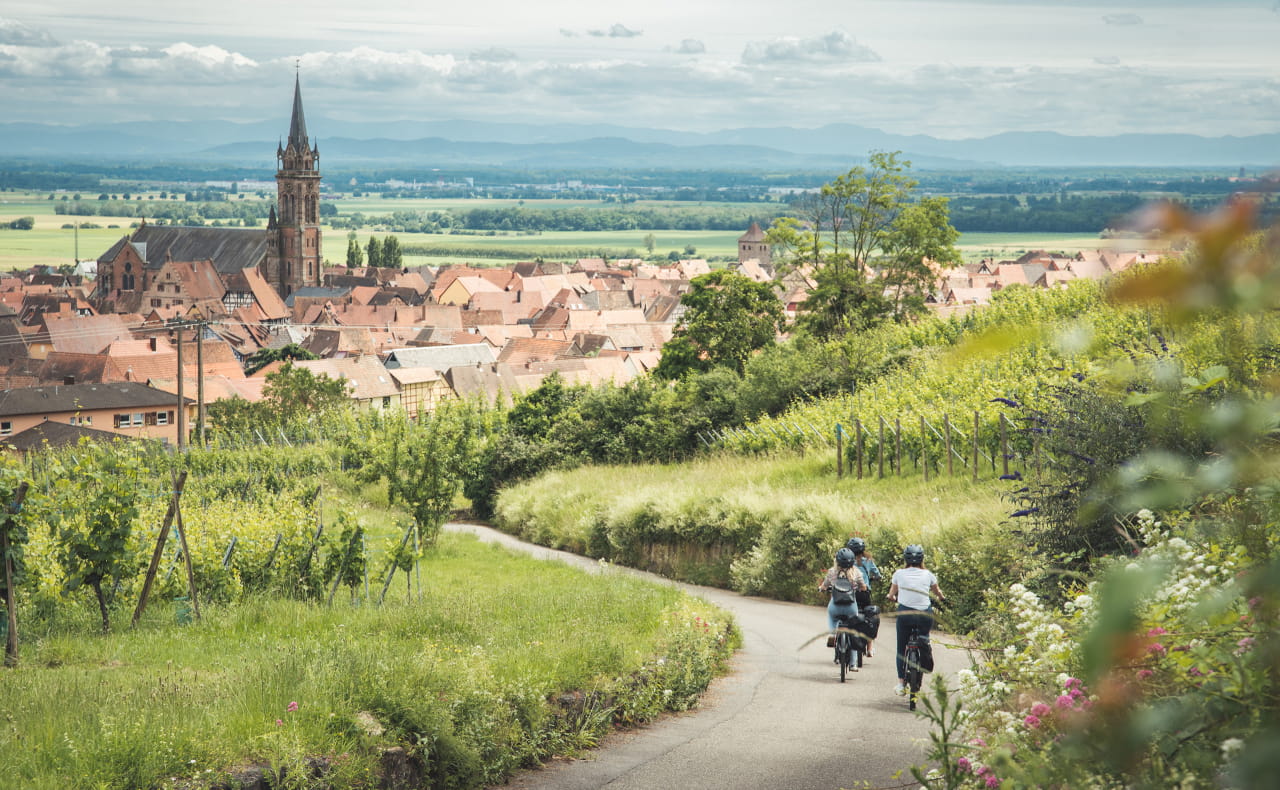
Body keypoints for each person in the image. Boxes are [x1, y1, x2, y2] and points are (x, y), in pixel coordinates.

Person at [887, 544, 946, 696]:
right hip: (924, 614)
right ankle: (924, 647)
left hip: (905, 613)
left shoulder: (899, 574)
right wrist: (941, 598)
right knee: (924, 639)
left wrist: (891, 598)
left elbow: (891, 594)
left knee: (901, 648)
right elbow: (937, 592)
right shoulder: (928, 574)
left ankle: (901, 684)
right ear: (922, 558)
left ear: (905, 558)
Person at [819, 547, 867, 657]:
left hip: (835, 606)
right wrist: (861, 588)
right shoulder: (857, 573)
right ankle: (853, 663)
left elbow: (825, 585)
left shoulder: (832, 572)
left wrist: (821, 588)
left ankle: (832, 634)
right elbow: (863, 587)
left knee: (832, 617)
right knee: (853, 632)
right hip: (851, 607)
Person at [846, 537, 882, 656]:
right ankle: (870, 647)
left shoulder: (847, 560)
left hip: (849, 592)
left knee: (845, 613)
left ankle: (838, 636)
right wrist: (875, 578)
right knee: (869, 617)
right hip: (864, 593)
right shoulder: (868, 560)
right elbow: (877, 574)